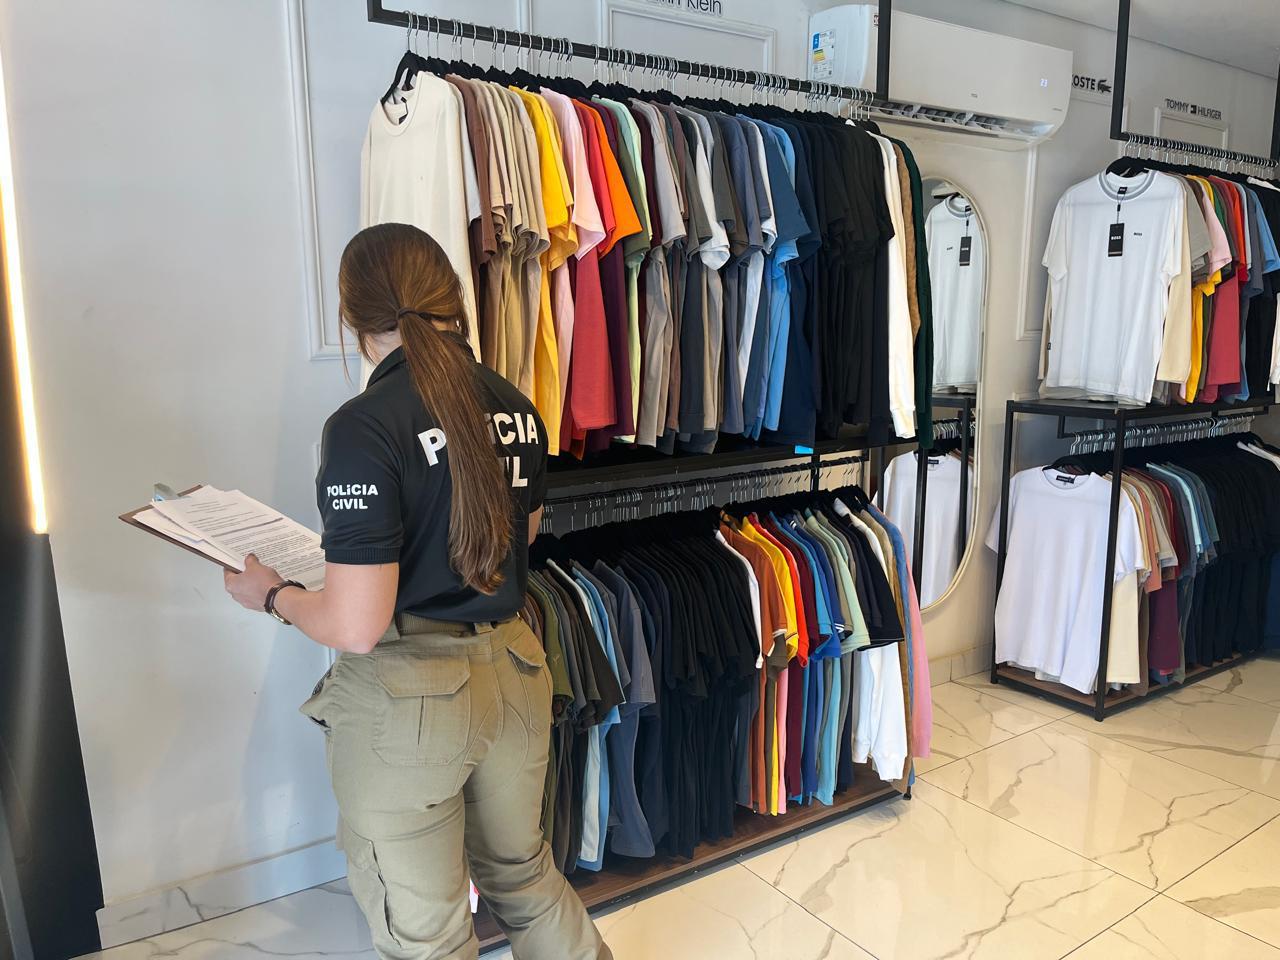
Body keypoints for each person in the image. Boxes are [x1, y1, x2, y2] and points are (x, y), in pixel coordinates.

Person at [224, 223, 610, 960]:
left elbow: (357, 625)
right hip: (515, 672)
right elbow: (518, 538)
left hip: (412, 701)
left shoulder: (362, 427)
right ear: (453, 299)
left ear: (352, 320)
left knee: (428, 934)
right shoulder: (515, 406)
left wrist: (274, 594)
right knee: (525, 878)